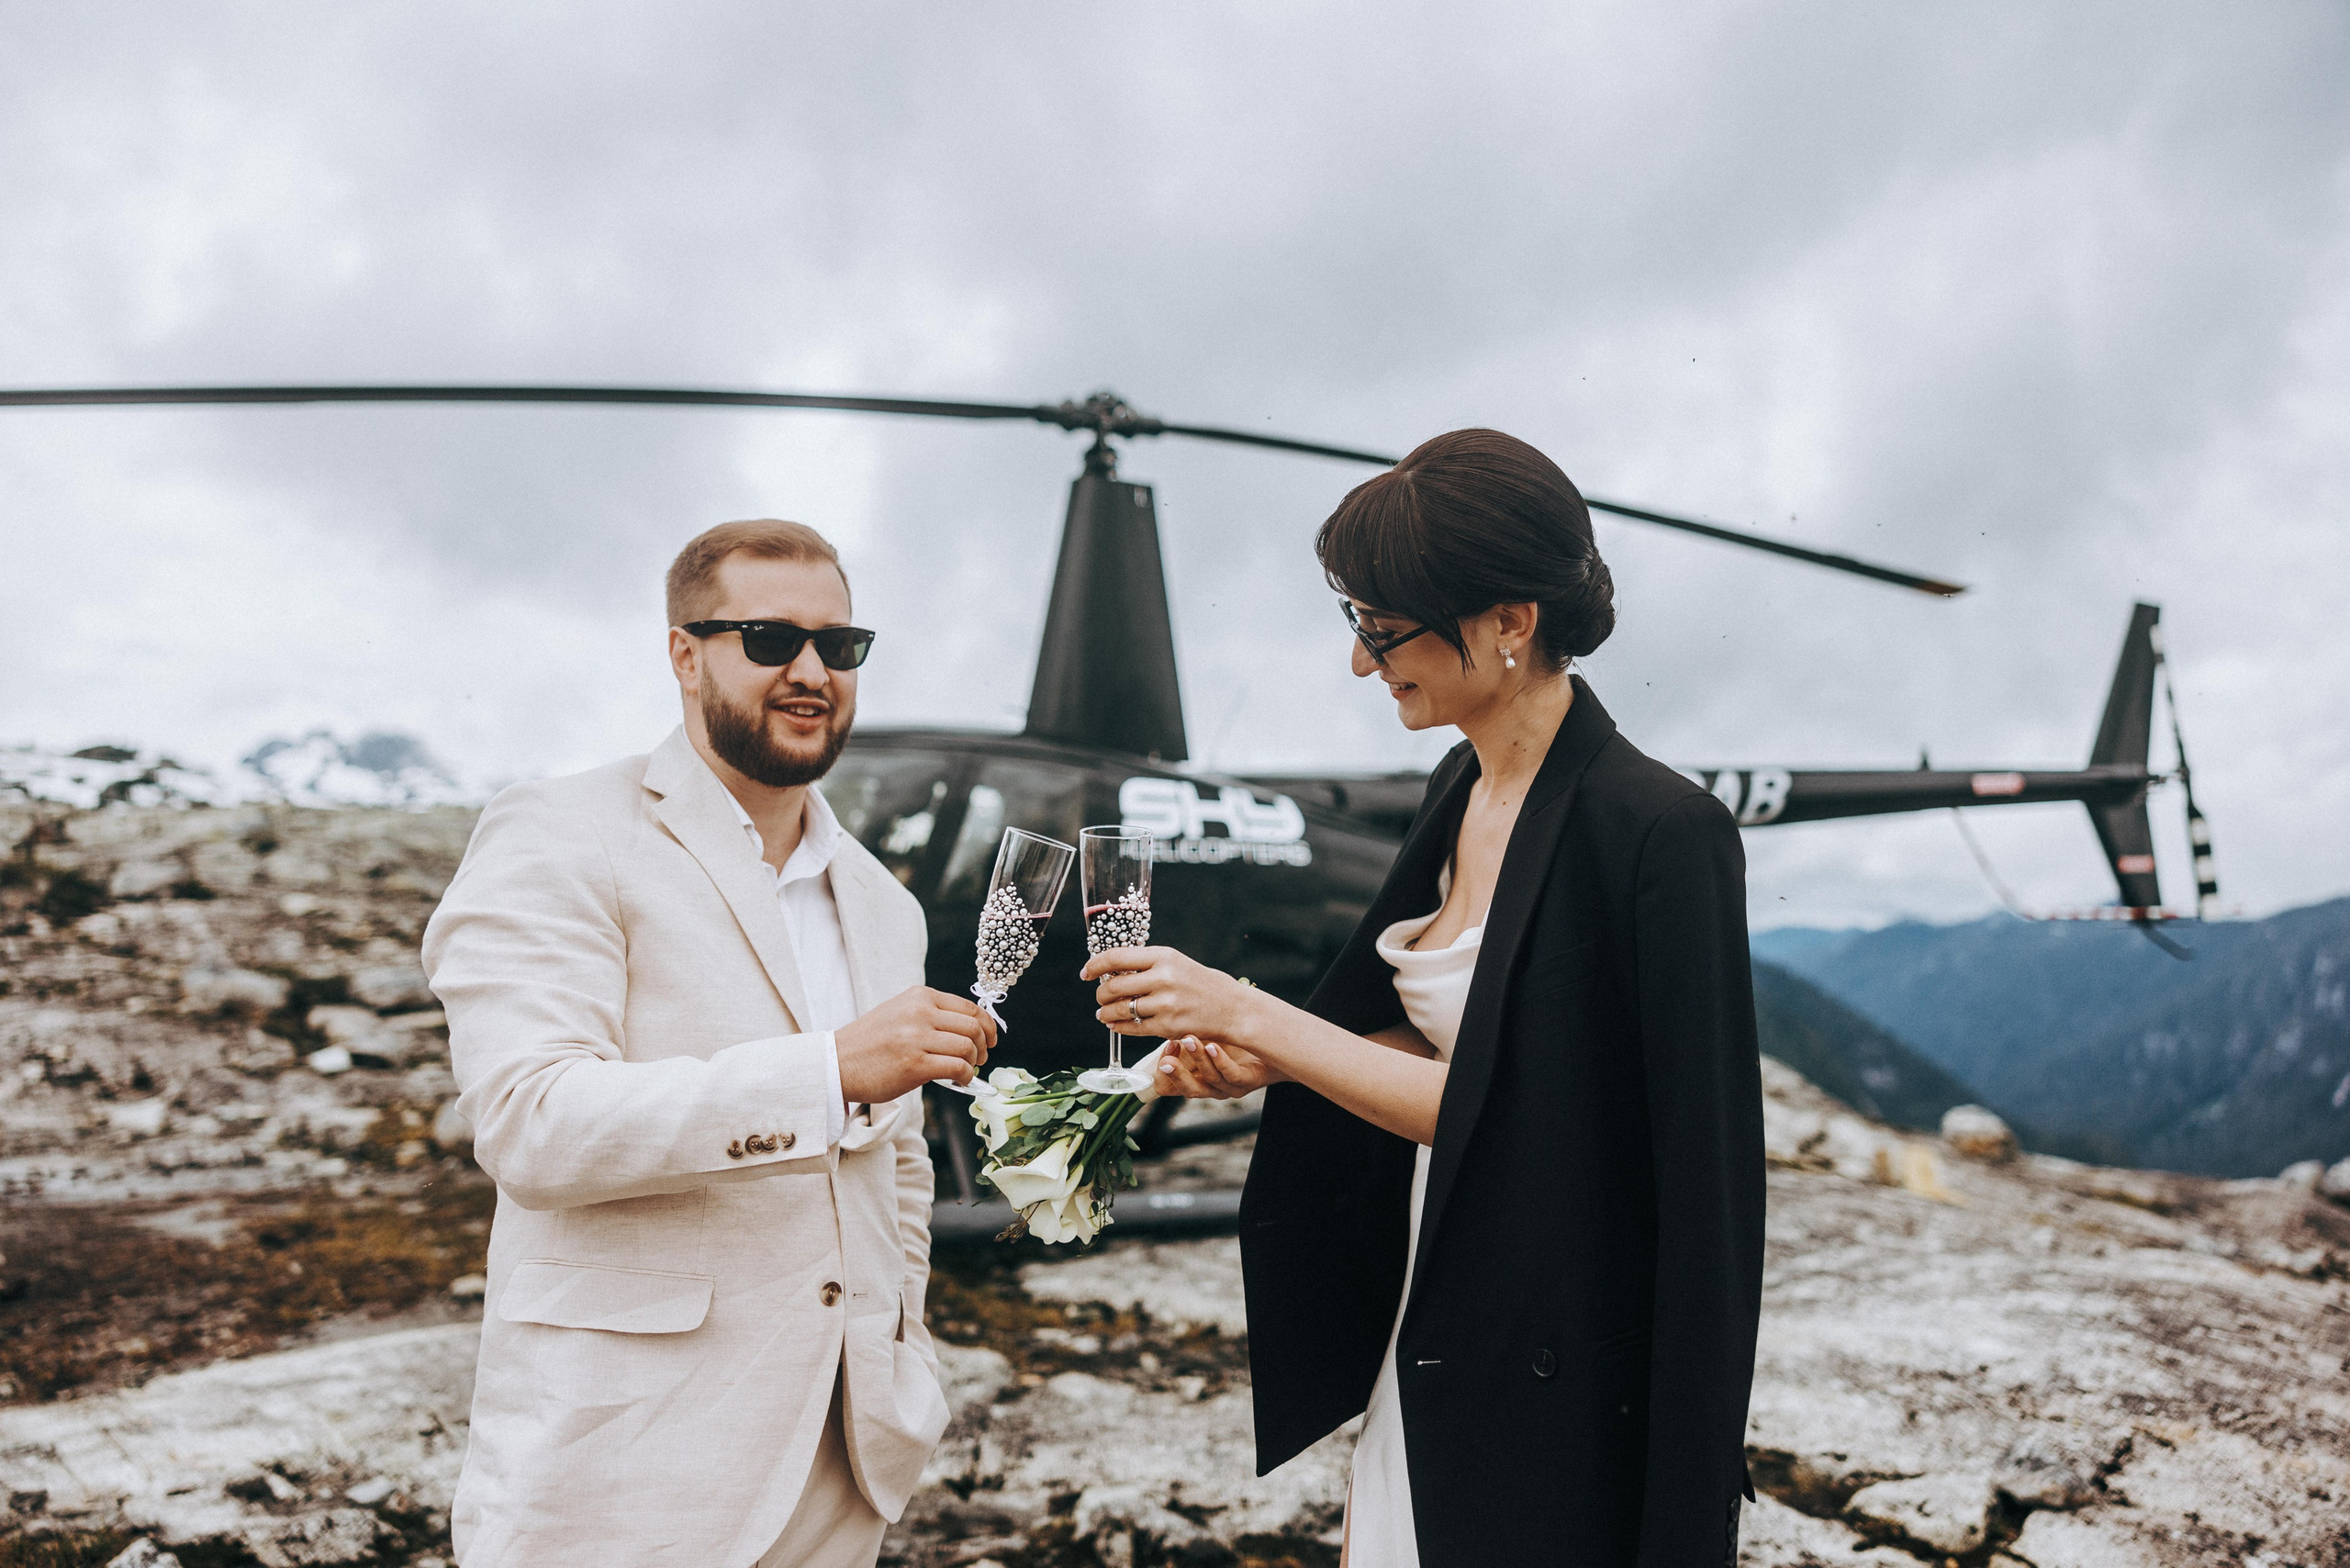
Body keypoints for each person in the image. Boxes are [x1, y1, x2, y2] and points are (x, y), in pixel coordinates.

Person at [1082, 431, 1766, 1567]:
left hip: (1563, 1393)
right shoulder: (1460, 783)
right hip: (1432, 1326)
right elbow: (1455, 1030)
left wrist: (1261, 1014)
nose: (1361, 663)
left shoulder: (1662, 833)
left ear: (1510, 621)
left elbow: (1542, 1125)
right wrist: (1278, 1058)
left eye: (1383, 629)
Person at [422, 519, 995, 1568]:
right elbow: (532, 1124)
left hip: (841, 1467)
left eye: (840, 644)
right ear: (684, 654)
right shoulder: (557, 832)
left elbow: (898, 1165)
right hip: (622, 1471)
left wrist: (900, 1352)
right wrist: (826, 1072)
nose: (812, 670)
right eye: (770, 639)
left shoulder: (882, 903)